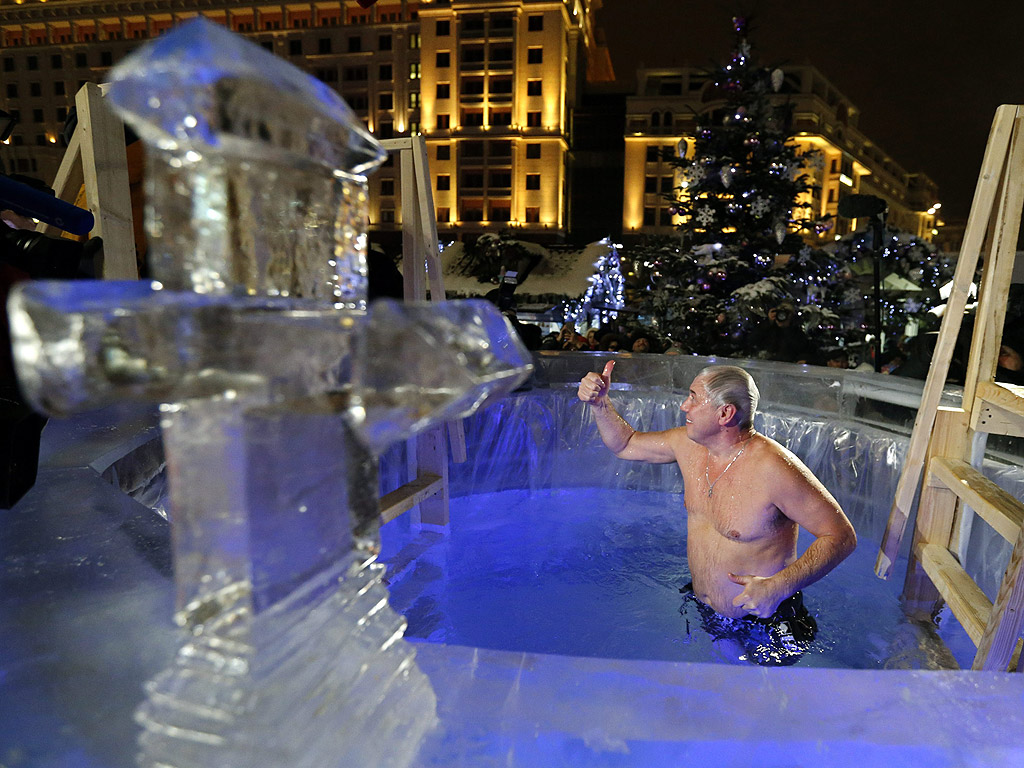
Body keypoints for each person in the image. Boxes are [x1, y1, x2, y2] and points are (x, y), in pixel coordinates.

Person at [577, 362, 856, 665]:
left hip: (768, 618)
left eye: (694, 398)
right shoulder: (687, 445)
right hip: (708, 611)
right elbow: (626, 445)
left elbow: (840, 536)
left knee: (768, 704)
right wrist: (599, 403)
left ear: (725, 413)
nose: (684, 405)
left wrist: (779, 586)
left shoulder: (774, 469)